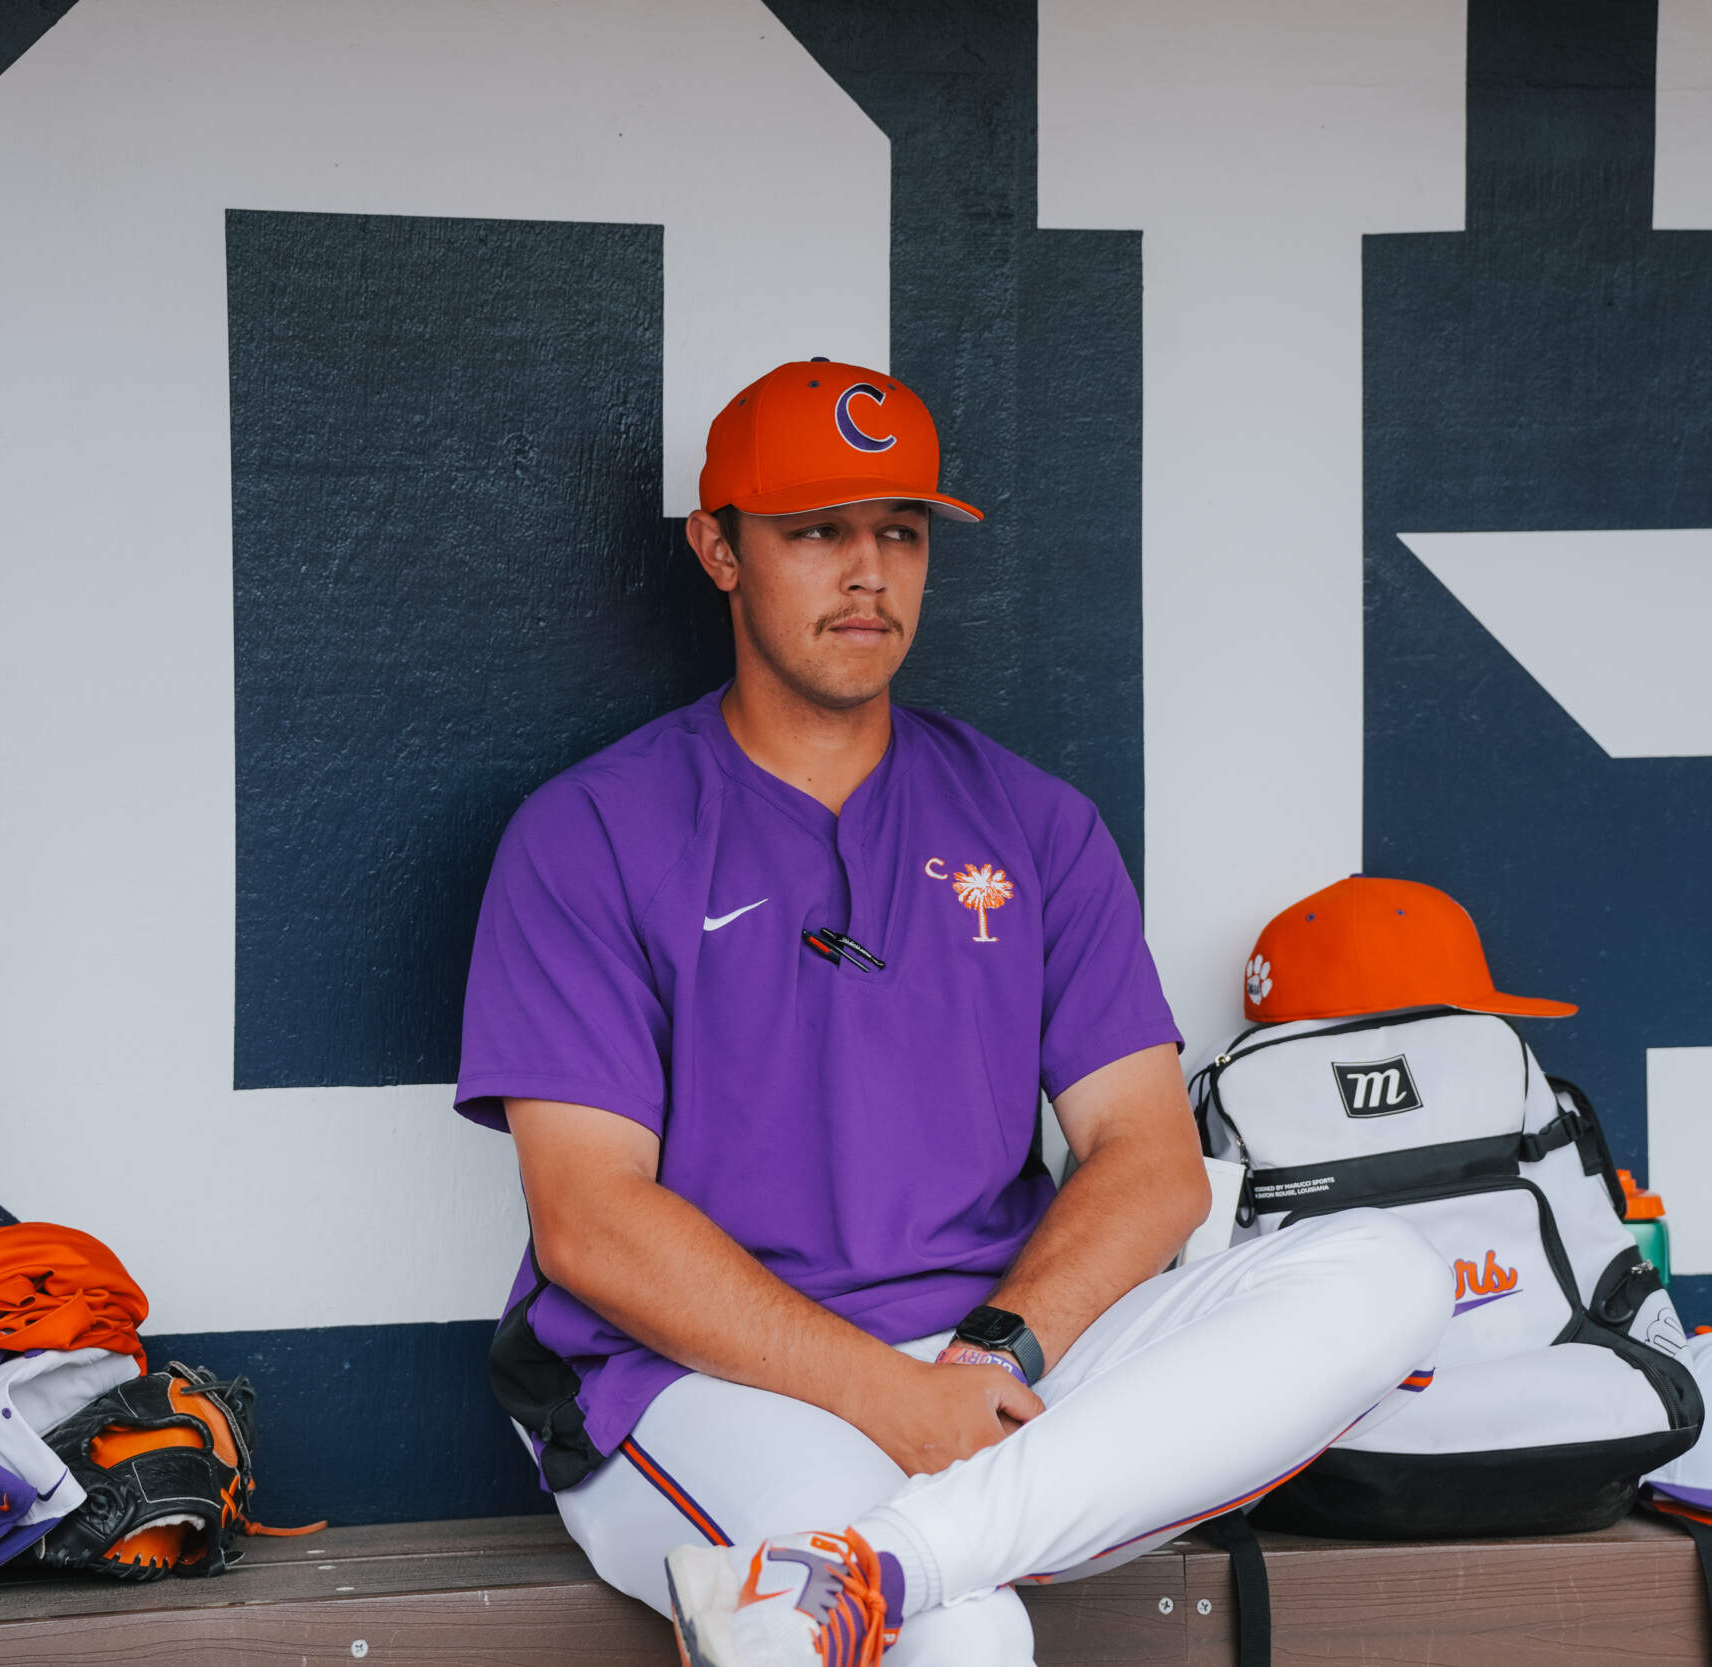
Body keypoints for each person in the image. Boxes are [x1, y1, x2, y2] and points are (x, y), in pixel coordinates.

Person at [456, 359, 1448, 1667]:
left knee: (1386, 1272)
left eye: (901, 532)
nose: (869, 574)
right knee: (966, 1633)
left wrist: (988, 1361)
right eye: (818, 532)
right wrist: (892, 1399)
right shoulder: (590, 831)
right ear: (720, 549)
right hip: (699, 1381)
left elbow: (1150, 1161)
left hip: (996, 1356)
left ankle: (886, 1563)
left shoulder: (1032, 821)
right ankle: (922, 1565)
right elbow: (591, 1224)